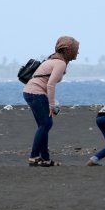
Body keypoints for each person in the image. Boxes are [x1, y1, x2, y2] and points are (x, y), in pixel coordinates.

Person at [23, 36, 79, 167]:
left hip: (31, 92)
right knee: (46, 124)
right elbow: (50, 85)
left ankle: (45, 159)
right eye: (76, 49)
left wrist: (50, 102)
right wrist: (52, 105)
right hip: (35, 93)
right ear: (67, 50)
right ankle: (33, 156)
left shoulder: (54, 60)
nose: (77, 52)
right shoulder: (60, 63)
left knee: (44, 125)